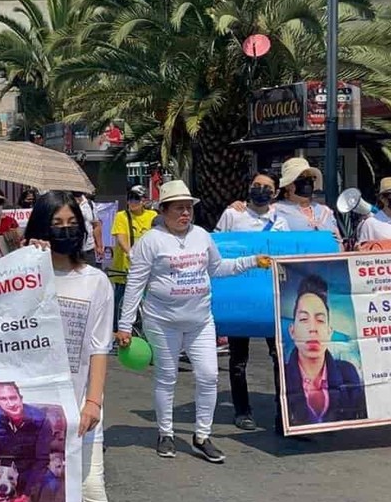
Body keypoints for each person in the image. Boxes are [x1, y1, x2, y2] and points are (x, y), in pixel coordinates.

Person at [117, 181, 268, 463]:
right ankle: (166, 433)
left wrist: (250, 261)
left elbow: (217, 268)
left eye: (189, 208)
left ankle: (202, 436)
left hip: (200, 321)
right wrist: (125, 325)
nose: (185, 213)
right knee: (166, 376)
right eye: (179, 208)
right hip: (162, 322)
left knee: (209, 375)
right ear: (163, 211)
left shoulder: (201, 236)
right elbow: (135, 284)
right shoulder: (150, 241)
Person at [20, 191, 115, 502]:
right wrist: (28, 261)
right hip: (32, 400)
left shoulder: (96, 282)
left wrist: (93, 402)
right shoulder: (25, 273)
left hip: (80, 403)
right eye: (55, 225)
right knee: (34, 473)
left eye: (71, 225)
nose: (64, 231)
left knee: (92, 487)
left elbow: (99, 348)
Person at [215, 171, 289, 431]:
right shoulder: (232, 215)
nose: (260, 190)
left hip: (272, 299)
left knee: (278, 356)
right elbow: (216, 250)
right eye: (256, 184)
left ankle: (285, 414)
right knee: (238, 359)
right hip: (239, 298)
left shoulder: (281, 221)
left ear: (276, 193)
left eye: (267, 187)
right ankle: (242, 410)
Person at [281, 274, 367, 426]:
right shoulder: (283, 376)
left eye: (320, 320)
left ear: (329, 331)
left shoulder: (348, 374)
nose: (312, 329)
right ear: (292, 330)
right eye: (303, 319)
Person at [0, 382, 53, 502]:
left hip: (31, 468)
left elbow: (42, 460)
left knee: (51, 486)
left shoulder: (41, 419)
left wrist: (26, 495)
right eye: (3, 399)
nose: (10, 404)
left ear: (20, 397)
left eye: (13, 398)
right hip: (3, 469)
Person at [108, 186, 157, 317]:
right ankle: (117, 329)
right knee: (121, 304)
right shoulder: (121, 216)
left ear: (144, 201)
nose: (132, 202)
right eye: (130, 198)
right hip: (125, 269)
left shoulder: (153, 216)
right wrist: (131, 253)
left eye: (136, 199)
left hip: (147, 268)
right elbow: (121, 237)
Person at [272, 158, 341, 241]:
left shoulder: (325, 211)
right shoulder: (275, 211)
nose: (307, 182)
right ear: (287, 185)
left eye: (310, 178)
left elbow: (339, 243)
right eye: (300, 178)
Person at [73, 191, 104, 265]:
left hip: (88, 249)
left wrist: (99, 246)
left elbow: (96, 225)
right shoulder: (66, 203)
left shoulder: (90, 204)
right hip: (72, 250)